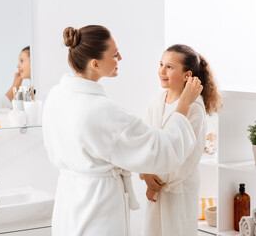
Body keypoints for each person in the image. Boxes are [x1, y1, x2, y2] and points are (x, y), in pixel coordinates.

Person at [42, 25, 203, 236]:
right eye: (114, 53)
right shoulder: (101, 111)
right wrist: (183, 106)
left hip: (68, 203)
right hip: (97, 208)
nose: (120, 57)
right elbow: (163, 150)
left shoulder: (57, 95)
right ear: (96, 63)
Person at [141, 44, 222, 236]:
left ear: (187, 75)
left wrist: (157, 182)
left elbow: (188, 158)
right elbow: (146, 141)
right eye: (161, 64)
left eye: (169, 67)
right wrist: (146, 174)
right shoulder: (156, 103)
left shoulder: (194, 108)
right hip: (155, 185)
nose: (161, 71)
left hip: (178, 188)